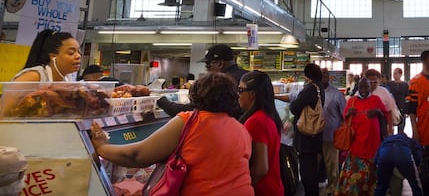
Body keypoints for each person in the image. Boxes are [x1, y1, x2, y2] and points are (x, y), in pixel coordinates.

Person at [90, 72, 254, 195]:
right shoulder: (241, 129)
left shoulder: (191, 121)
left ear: (197, 94)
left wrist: (102, 148)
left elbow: (137, 156)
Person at [336, 77, 388, 195]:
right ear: (358, 87)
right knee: (355, 180)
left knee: (372, 177)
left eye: (366, 87)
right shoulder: (352, 101)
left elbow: (385, 117)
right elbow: (344, 119)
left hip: (372, 144)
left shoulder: (376, 100)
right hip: (356, 145)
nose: (364, 90)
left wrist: (378, 112)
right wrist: (349, 113)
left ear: (370, 87)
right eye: (361, 87)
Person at [239, 70, 284, 196]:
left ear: (252, 94)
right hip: (273, 186)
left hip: (262, 190)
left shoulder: (255, 122)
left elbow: (260, 169)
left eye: (240, 90)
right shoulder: (269, 116)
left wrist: (241, 187)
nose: (238, 95)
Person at [406, 50, 429, 196]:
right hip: (423, 131)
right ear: (424, 61)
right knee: (423, 168)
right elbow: (411, 109)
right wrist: (415, 131)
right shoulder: (415, 82)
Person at [289, 63, 325, 196]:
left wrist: (294, 101)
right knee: (311, 169)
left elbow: (294, 107)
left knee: (307, 171)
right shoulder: (319, 87)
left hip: (306, 137)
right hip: (315, 136)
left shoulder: (310, 89)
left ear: (308, 74)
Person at [13, 30, 81, 82]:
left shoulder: (67, 79)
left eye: (79, 52)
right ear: (53, 56)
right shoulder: (34, 76)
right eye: (71, 53)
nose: (78, 56)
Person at [321, 67, 347, 196]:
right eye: (321, 74)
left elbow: (345, 115)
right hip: (313, 136)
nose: (323, 76)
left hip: (331, 136)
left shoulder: (336, 94)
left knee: (332, 165)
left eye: (325, 74)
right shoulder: (311, 92)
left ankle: (333, 187)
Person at [365, 69, 396, 135]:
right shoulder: (361, 92)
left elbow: (389, 111)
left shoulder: (384, 92)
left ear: (379, 81)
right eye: (370, 82)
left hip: (381, 125)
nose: (372, 84)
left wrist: (390, 127)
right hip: (364, 126)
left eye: (375, 82)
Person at [386, 68, 409, 134]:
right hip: (392, 108)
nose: (394, 75)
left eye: (395, 73)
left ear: (400, 74)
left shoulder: (405, 85)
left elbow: (407, 97)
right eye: (393, 73)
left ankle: (399, 140)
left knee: (401, 127)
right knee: (390, 127)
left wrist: (406, 110)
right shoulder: (389, 84)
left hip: (402, 107)